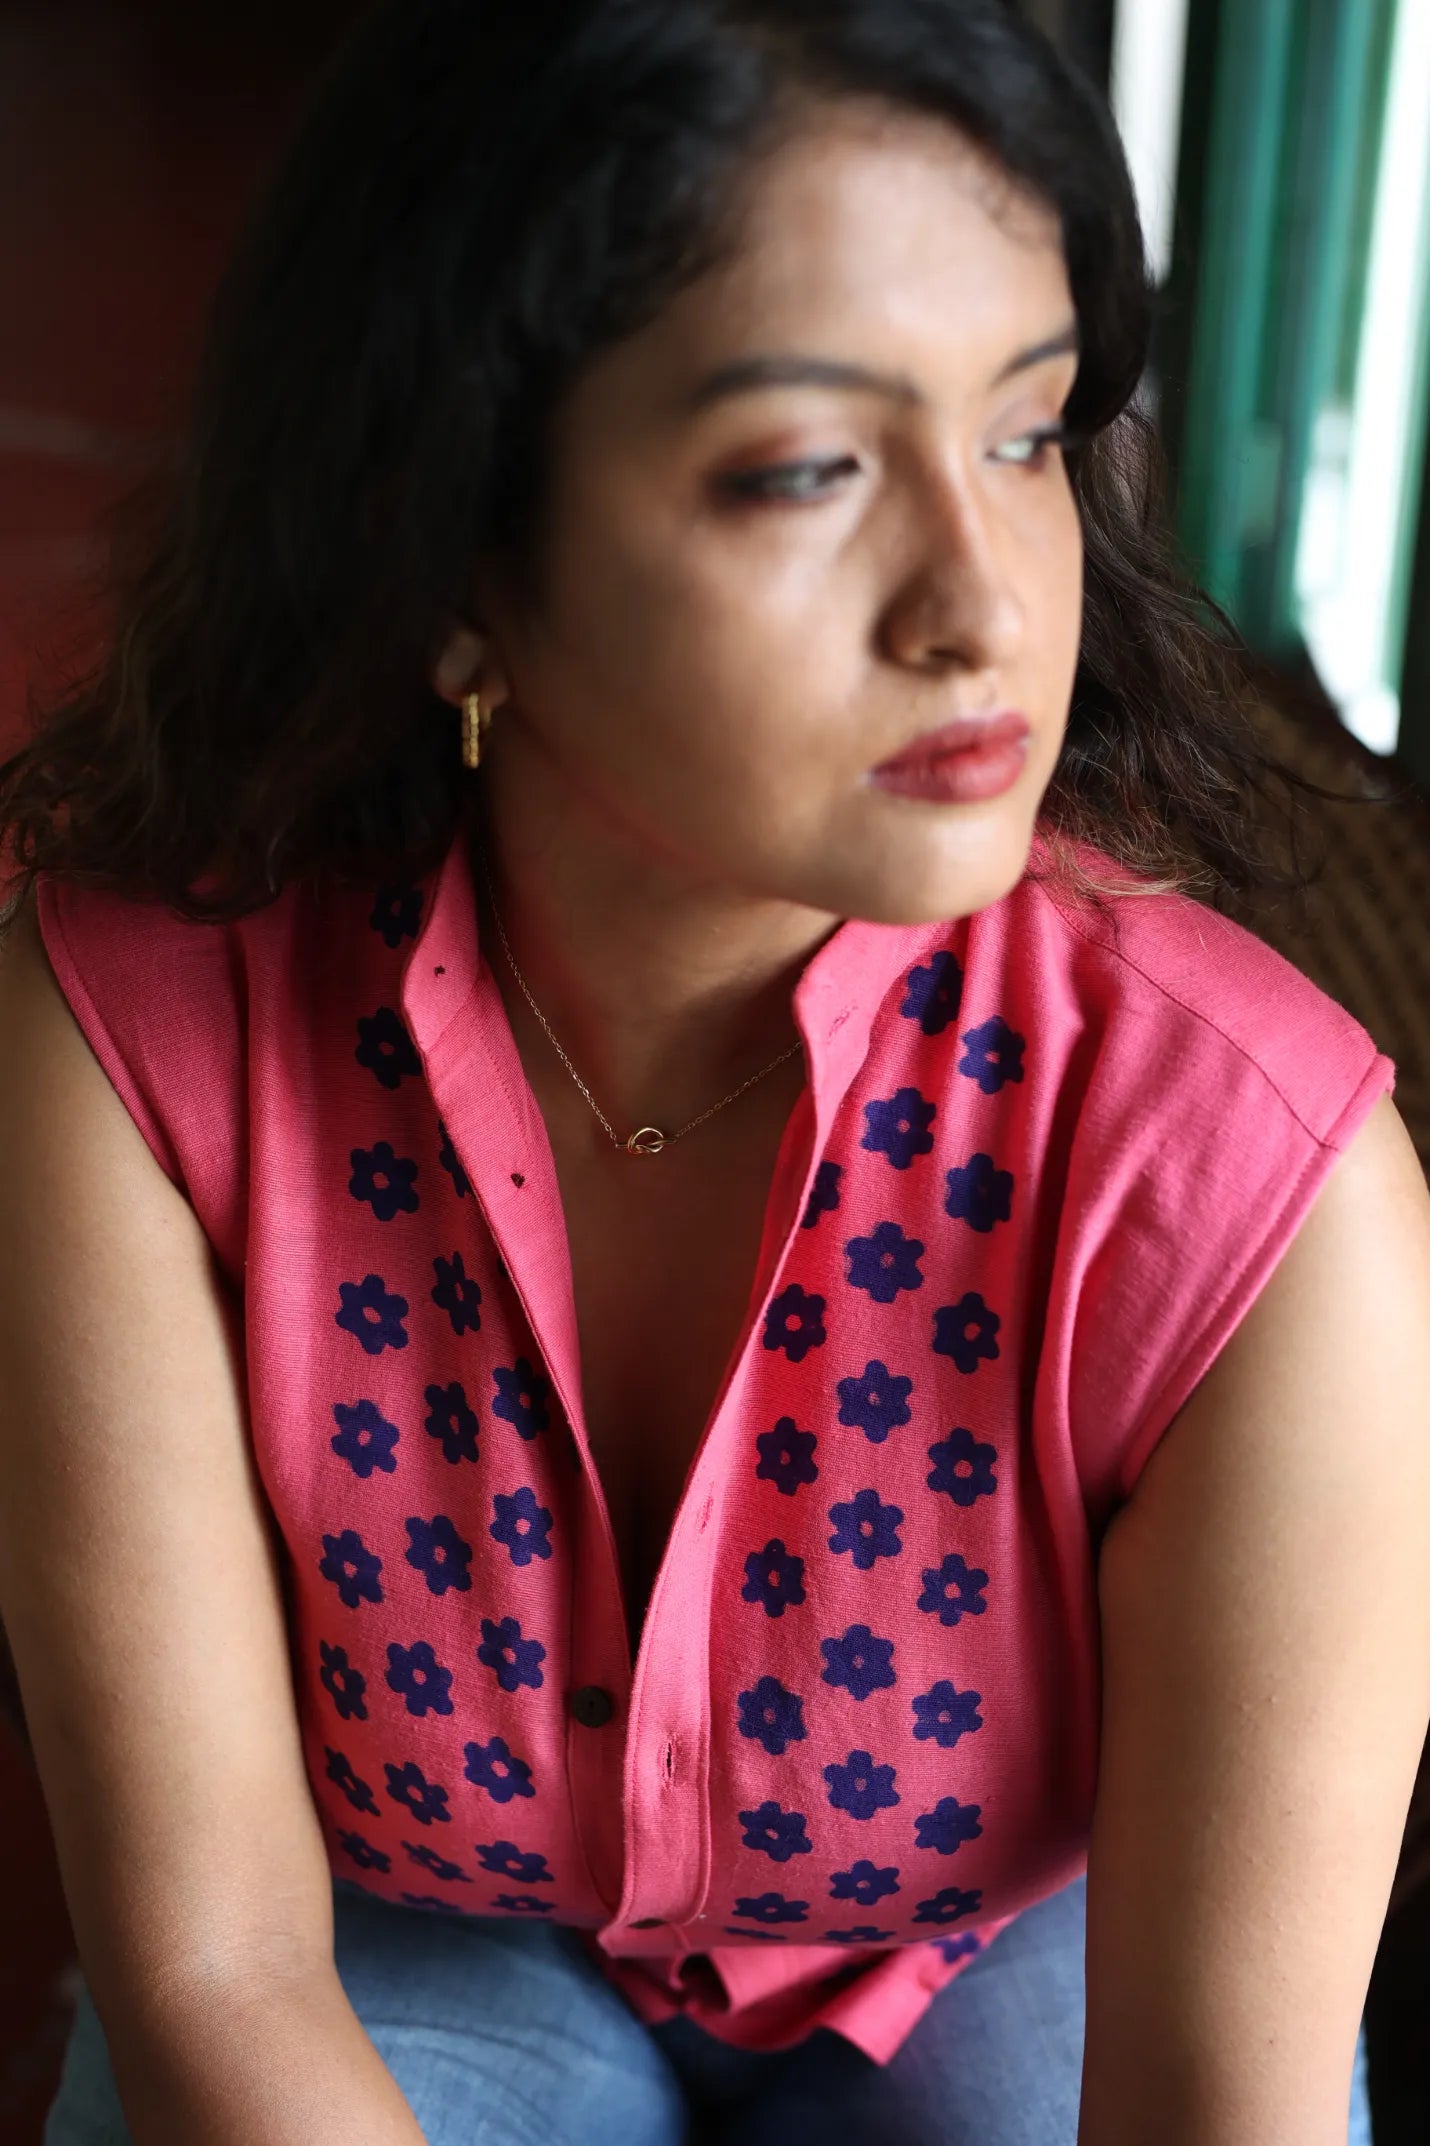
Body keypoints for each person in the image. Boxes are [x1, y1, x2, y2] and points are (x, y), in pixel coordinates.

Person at [0, 2, 1427, 2140]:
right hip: (404, 1911)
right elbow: (215, 1963)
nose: (978, 606)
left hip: (998, 1936)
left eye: (1026, 434)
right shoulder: (141, 1039)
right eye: (804, 471)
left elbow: (1212, 2105)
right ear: (450, 559)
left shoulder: (1251, 1174)